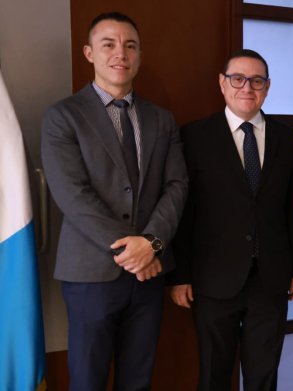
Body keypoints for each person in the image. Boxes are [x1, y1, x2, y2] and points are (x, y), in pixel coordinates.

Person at [41, 12, 188, 390]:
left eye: (130, 45)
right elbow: (72, 195)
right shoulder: (63, 117)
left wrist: (151, 244)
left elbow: (176, 186)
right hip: (92, 273)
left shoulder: (162, 119)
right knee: (87, 381)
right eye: (108, 44)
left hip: (150, 274)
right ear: (89, 52)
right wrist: (132, 250)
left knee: (138, 380)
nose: (120, 53)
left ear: (139, 55)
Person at [168, 49, 293, 391]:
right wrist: (180, 274)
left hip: (271, 277)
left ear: (267, 87)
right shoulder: (195, 136)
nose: (247, 87)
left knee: (263, 375)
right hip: (213, 278)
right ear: (222, 83)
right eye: (238, 79)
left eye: (257, 80)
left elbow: (292, 205)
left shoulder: (286, 137)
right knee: (214, 373)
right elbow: (185, 211)